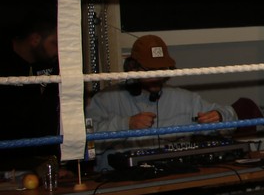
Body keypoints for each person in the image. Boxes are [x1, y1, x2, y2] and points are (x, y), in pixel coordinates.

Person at [86, 34, 237, 167]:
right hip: (122, 182)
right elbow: (87, 144)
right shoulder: (105, 99)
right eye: (150, 70)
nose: (157, 76)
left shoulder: (184, 99)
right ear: (133, 68)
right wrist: (126, 124)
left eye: (162, 69)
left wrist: (220, 116)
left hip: (175, 176)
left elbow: (231, 118)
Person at [0, 15, 60, 171]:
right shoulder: (5, 64)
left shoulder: (49, 66)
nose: (58, 50)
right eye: (54, 43)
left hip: (35, 159)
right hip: (7, 160)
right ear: (35, 39)